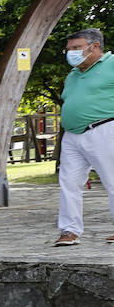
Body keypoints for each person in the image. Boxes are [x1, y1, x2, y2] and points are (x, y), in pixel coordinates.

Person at [52, 28, 114, 247]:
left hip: (104, 130)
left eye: (76, 48)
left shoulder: (112, 64)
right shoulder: (74, 74)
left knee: (112, 181)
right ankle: (69, 232)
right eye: (68, 49)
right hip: (72, 135)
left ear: (95, 46)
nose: (71, 53)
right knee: (68, 184)